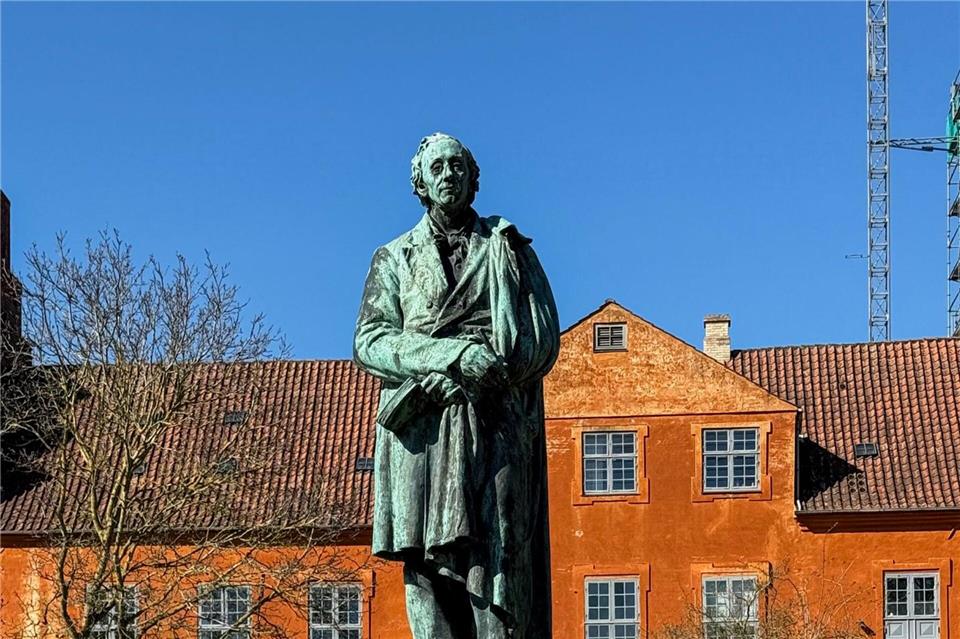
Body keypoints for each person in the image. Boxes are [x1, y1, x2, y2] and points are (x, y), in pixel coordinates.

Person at [353, 132, 560, 638]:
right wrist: (452, 356)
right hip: (422, 433)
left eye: (457, 166)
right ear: (420, 184)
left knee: (500, 560)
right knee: (427, 576)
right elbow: (370, 341)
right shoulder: (393, 257)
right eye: (438, 168)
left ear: (473, 179)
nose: (449, 175)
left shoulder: (508, 249)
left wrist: (495, 366)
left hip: (494, 425)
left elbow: (543, 338)